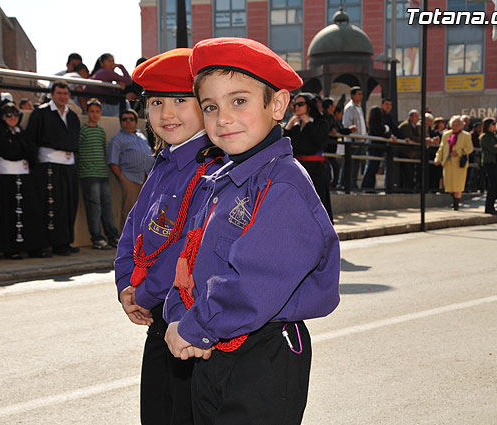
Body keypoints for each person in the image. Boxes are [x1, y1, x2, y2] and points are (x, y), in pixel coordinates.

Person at [163, 37, 341, 425]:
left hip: (264, 353)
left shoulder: (283, 185)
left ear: (277, 105)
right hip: (214, 344)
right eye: (210, 107)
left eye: (238, 101)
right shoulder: (220, 181)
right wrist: (178, 315)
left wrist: (193, 327)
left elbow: (254, 284)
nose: (222, 117)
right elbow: (189, 260)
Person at [114, 48, 224, 425]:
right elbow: (134, 228)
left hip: (191, 321)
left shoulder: (215, 166)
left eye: (181, 100)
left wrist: (141, 294)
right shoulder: (164, 161)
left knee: (184, 414)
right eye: (156, 102)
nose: (166, 114)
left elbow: (186, 249)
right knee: (157, 411)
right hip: (158, 314)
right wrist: (125, 285)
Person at [25, 80, 81, 256]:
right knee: (51, 205)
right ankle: (51, 244)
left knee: (69, 205)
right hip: (48, 164)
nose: (63, 97)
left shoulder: (72, 116)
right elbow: (31, 140)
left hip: (69, 165)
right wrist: (33, 165)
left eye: (65, 94)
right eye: (59, 93)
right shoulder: (40, 113)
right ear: (51, 94)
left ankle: (65, 241)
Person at [0, 100, 50, 258]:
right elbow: (8, 152)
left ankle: (33, 246)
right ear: (2, 117)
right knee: (8, 212)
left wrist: (22, 150)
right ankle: (10, 249)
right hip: (7, 178)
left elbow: (30, 152)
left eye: (15, 114)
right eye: (8, 114)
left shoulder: (21, 132)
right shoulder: (0, 133)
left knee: (30, 211)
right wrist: (21, 151)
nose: (12, 117)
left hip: (24, 175)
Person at [78, 98, 120, 249]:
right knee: (94, 207)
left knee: (106, 206)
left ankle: (113, 236)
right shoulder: (83, 130)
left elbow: (102, 152)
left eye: (97, 111)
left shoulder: (101, 131)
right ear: (87, 112)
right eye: (92, 111)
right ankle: (97, 238)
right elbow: (79, 153)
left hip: (102, 174)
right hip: (89, 175)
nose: (95, 115)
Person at [284, 92, 333, 221]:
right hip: (297, 170)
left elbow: (321, 143)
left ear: (309, 106)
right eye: (295, 105)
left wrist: (309, 125)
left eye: (300, 104)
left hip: (315, 170)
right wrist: (288, 129)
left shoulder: (321, 122)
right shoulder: (294, 124)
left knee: (317, 207)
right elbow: (286, 147)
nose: (297, 107)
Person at [107, 108, 155, 228]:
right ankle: (126, 244)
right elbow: (113, 162)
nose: (128, 121)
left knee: (145, 210)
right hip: (130, 179)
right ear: (120, 122)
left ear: (136, 121)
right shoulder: (117, 139)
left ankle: (139, 241)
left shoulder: (141, 136)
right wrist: (123, 179)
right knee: (129, 210)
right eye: (125, 119)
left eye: (131, 119)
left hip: (146, 177)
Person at [434, 115, 474, 210]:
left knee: (458, 184)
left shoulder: (466, 135)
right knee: (449, 185)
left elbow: (470, 148)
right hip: (447, 163)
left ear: (461, 125)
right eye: (453, 125)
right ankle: (454, 199)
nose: (454, 127)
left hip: (459, 163)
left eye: (457, 125)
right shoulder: (446, 134)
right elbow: (442, 148)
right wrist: (438, 158)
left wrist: (458, 152)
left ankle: (456, 203)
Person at [361, 106, 395, 190]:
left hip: (373, 148)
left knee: (371, 168)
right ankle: (367, 187)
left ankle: (368, 187)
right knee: (372, 168)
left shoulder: (371, 123)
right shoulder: (377, 124)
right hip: (376, 148)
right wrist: (388, 133)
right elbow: (380, 133)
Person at [340, 86, 366, 190]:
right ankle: (344, 184)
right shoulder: (350, 108)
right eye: (358, 94)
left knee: (356, 165)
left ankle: (353, 184)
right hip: (352, 140)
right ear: (352, 95)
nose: (361, 96)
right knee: (349, 164)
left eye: (361, 93)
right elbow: (346, 124)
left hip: (360, 140)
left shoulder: (359, 107)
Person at [479, 117, 497, 215]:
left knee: (495, 184)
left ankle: (492, 206)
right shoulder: (485, 137)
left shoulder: (493, 136)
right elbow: (492, 149)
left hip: (495, 162)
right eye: (493, 124)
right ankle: (489, 206)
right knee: (493, 184)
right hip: (489, 162)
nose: (495, 126)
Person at [398, 109, 422, 191]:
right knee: (407, 173)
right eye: (415, 117)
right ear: (410, 117)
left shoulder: (416, 126)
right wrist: (425, 140)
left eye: (418, 117)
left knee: (412, 172)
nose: (417, 119)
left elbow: (418, 136)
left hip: (413, 154)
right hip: (406, 153)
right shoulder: (405, 125)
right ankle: (407, 189)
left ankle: (411, 188)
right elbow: (412, 138)